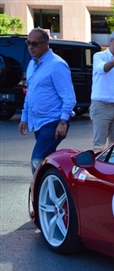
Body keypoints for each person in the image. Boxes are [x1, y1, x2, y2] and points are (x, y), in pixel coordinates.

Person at [18, 28, 76, 174]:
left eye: (34, 44)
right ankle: (54, 191)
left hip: (53, 121)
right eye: (28, 43)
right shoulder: (32, 64)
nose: (31, 47)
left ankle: (39, 192)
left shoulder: (57, 65)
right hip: (38, 122)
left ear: (46, 43)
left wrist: (63, 122)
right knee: (48, 161)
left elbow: (69, 97)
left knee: (37, 159)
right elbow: (30, 93)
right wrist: (24, 117)